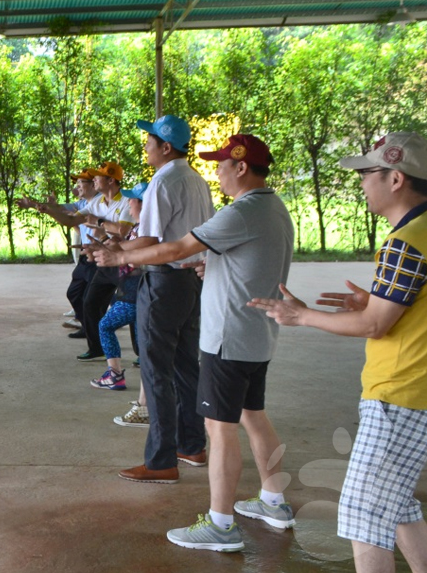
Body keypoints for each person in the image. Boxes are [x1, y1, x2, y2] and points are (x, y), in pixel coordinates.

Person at [250, 132, 427, 573]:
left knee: (366, 511)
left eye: (368, 174)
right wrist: (373, 299)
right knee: (395, 500)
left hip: (402, 392)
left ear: (396, 178)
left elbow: (375, 326)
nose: (363, 183)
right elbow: (415, 304)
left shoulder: (406, 242)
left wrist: (302, 316)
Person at [97, 133, 294, 551]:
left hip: (228, 336)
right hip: (256, 335)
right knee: (253, 416)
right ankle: (274, 501)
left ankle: (221, 525)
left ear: (241, 167)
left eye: (222, 164)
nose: (217, 172)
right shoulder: (274, 208)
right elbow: (246, 261)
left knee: (218, 428)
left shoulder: (241, 211)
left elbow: (175, 248)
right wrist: (214, 266)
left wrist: (121, 256)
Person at [115, 114, 214, 483]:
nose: (146, 148)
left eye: (149, 141)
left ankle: (161, 461)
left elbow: (151, 240)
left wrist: (117, 251)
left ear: (166, 147)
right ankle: (192, 444)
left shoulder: (163, 181)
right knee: (187, 366)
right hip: (191, 283)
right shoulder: (197, 180)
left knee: (156, 370)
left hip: (164, 282)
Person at [16, 169, 98, 339]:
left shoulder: (97, 203)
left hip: (98, 256)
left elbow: (67, 219)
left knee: (94, 298)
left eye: (81, 182)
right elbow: (59, 208)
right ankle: (87, 327)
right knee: (75, 293)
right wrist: (32, 204)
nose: (77, 186)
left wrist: (47, 209)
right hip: (86, 255)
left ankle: (95, 332)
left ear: (94, 184)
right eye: (77, 182)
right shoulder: (83, 204)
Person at [89, 181, 147, 393]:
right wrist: (105, 244)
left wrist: (113, 250)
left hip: (136, 292)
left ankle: (115, 375)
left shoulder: (146, 232)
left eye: (132, 200)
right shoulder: (140, 228)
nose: (129, 203)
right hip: (134, 290)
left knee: (105, 326)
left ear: (143, 204)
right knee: (144, 344)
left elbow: (136, 259)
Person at [77, 161, 133, 362]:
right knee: (90, 302)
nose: (94, 179)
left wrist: (99, 223)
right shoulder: (97, 202)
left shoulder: (126, 201)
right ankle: (97, 348)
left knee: (133, 306)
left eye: (98, 176)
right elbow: (74, 218)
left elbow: (122, 231)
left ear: (111, 180)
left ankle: (141, 354)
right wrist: (49, 209)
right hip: (107, 259)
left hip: (126, 263)